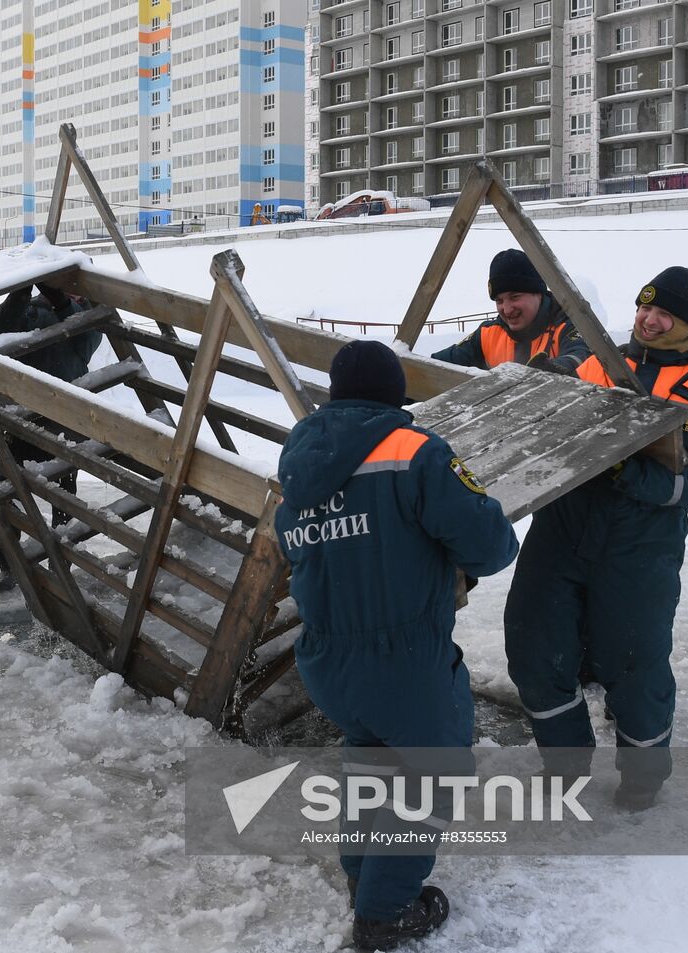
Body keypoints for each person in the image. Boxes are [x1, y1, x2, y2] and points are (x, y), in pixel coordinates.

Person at [275, 340, 518, 951]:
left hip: (327, 660)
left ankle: (363, 878)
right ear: (394, 394)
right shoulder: (414, 452)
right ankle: (383, 912)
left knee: (373, 757)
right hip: (403, 659)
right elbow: (490, 545)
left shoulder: (300, 461)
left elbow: (295, 546)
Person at [504, 266, 688, 812]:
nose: (648, 321)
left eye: (664, 314)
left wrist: (630, 475)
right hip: (562, 528)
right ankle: (564, 764)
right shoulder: (598, 362)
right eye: (643, 308)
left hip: (640, 547)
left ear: (686, 325)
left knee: (633, 662)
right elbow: (559, 382)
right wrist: (545, 375)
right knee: (534, 642)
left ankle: (643, 774)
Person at [0, 281, 101, 591]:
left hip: (64, 424)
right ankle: (9, 563)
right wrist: (20, 291)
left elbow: (86, 343)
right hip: (20, 420)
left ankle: (60, 564)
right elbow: (1, 326)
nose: (76, 293)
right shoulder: (31, 310)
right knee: (11, 498)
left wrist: (64, 302)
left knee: (64, 501)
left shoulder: (87, 315)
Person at [432, 249, 591, 375]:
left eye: (515, 297)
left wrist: (554, 368)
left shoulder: (567, 326)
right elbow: (438, 366)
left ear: (538, 293)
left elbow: (581, 357)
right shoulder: (488, 335)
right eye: (499, 301)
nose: (506, 310)